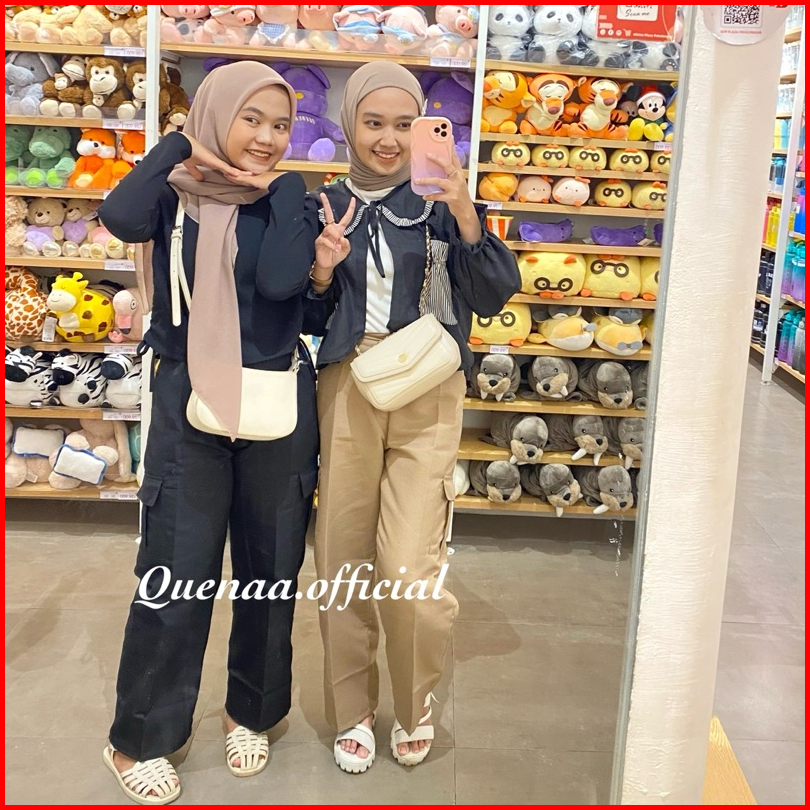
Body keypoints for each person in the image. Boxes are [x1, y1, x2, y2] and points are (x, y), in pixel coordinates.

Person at [98, 61, 319, 804]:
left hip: (277, 402)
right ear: (216, 115)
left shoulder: (291, 199)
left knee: (271, 569)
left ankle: (249, 711)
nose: (266, 137)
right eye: (250, 118)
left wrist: (285, 190)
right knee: (174, 571)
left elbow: (285, 284)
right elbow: (119, 216)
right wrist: (176, 146)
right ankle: (138, 739)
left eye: (280, 124)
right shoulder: (174, 193)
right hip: (188, 397)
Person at [305, 62, 521, 773]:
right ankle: (352, 709)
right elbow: (303, 310)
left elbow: (493, 295)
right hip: (347, 383)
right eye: (374, 123)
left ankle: (415, 698)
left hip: (427, 386)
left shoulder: (441, 201)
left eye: (407, 124)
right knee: (341, 557)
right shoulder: (323, 203)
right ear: (349, 125)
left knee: (408, 569)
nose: (390, 139)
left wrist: (465, 210)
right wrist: (321, 271)